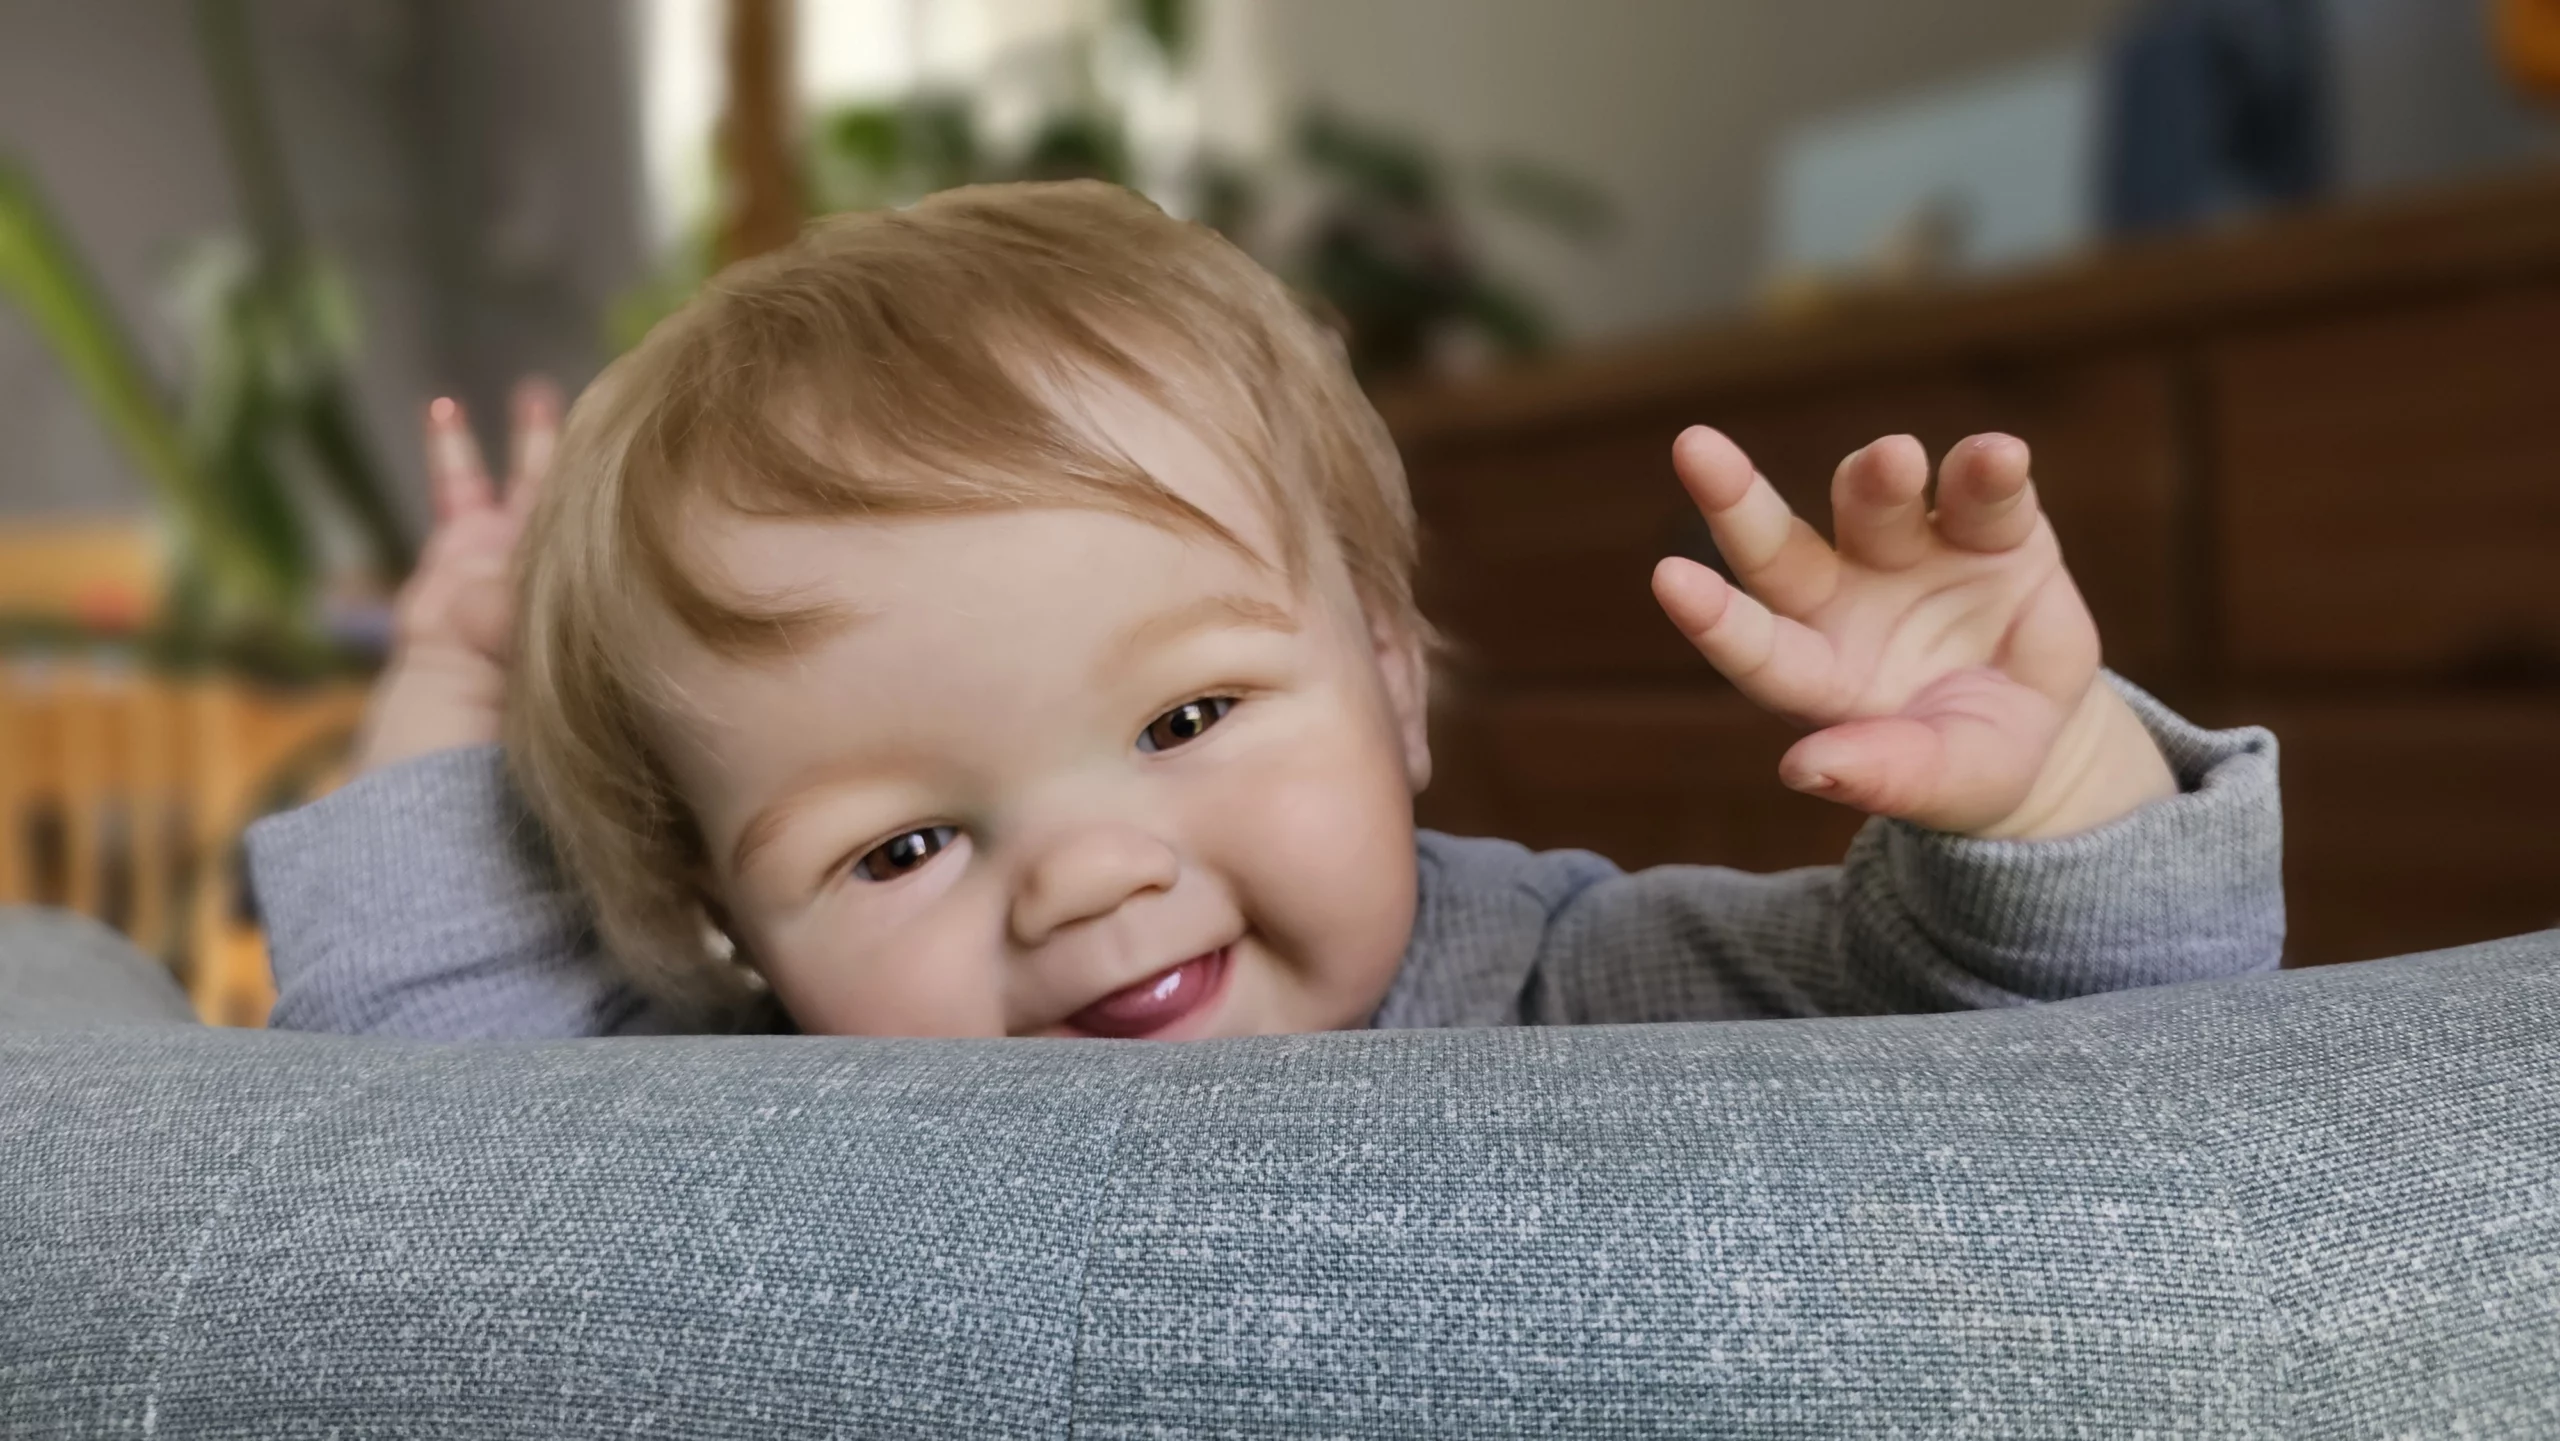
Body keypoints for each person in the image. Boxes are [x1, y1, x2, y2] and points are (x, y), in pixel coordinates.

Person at [247, 181, 2280, 1041]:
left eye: (1186, 719)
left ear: (1389, 690)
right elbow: (438, 1094)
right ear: (729, 928)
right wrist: (449, 674)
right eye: (900, 844)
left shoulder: (1570, 990)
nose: (1085, 882)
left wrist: (2044, 793)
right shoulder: (771, 1090)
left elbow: (2066, 1064)